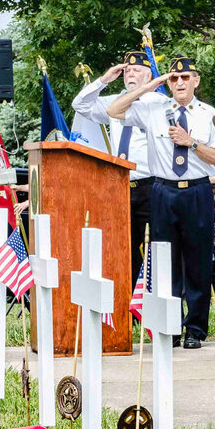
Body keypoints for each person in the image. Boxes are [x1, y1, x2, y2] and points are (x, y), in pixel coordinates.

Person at [108, 55, 215, 349]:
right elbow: (113, 109)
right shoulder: (153, 108)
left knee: (198, 261)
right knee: (164, 261)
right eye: (174, 79)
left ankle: (195, 329)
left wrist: (192, 143)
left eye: (185, 78)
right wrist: (148, 86)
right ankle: (170, 327)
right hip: (162, 191)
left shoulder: (209, 115)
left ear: (196, 81)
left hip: (197, 191)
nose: (179, 83)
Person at [71, 51, 159, 286]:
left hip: (149, 185)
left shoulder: (158, 103)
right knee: (121, 249)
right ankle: (126, 307)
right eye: (127, 70)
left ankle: (153, 304)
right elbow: (79, 105)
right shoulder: (113, 102)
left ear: (149, 75)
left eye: (137, 70)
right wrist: (104, 80)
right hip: (119, 185)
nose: (131, 73)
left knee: (155, 248)